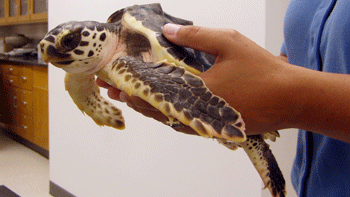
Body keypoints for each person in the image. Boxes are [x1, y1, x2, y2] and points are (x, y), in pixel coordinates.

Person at [97, 0, 350, 196]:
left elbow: (291, 85)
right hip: (312, 185)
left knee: (250, 142)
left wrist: (290, 102)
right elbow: (296, 62)